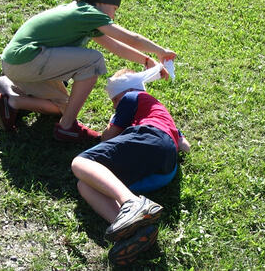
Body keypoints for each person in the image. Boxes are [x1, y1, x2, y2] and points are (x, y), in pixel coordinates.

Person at [0, 0, 176, 141]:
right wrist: (160, 51)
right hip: (28, 59)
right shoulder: (88, 13)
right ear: (102, 1)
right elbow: (130, 39)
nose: (113, 16)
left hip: (17, 64)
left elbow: (115, 46)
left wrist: (146, 61)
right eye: (114, 9)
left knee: (65, 105)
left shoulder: (81, 13)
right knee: (93, 60)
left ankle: (12, 102)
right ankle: (67, 127)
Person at [71, 67, 190, 265]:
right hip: (166, 170)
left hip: (150, 137)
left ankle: (131, 203)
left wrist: (112, 123)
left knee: (81, 163)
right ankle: (135, 232)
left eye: (114, 101)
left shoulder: (132, 97)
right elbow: (184, 146)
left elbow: (107, 138)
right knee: (86, 183)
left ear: (124, 93)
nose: (115, 107)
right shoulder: (160, 113)